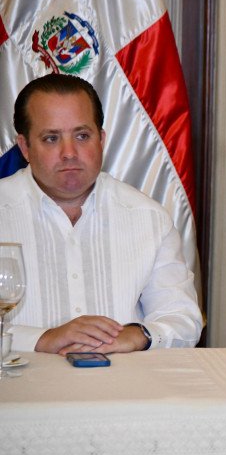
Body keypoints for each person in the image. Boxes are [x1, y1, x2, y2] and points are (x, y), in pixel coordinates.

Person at [0, 73, 202, 355]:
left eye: (82, 136)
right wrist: (42, 339)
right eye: (51, 138)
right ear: (25, 148)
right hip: (19, 382)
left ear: (101, 139)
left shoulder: (149, 217)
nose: (69, 152)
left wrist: (139, 336)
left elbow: (183, 320)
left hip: (123, 381)